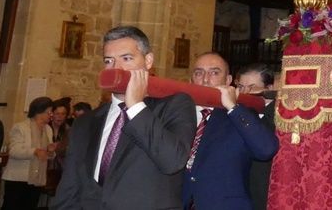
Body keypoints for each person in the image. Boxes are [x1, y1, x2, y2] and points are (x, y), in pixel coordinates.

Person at [51, 26, 197, 209]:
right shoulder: (86, 122)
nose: (116, 68)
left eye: (126, 58)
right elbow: (69, 187)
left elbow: (173, 161)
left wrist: (135, 106)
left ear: (148, 61)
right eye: (109, 61)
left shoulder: (174, 106)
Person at [182, 53, 279, 209]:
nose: (205, 79)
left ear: (228, 81)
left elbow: (266, 149)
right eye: (199, 73)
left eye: (214, 73)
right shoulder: (177, 112)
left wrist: (233, 108)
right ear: (191, 79)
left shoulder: (240, 115)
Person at [236, 63, 278, 210]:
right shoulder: (235, 113)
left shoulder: (278, 117)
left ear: (269, 89)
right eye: (241, 87)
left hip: (262, 194)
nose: (245, 93)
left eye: (252, 88)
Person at [1, 96, 54, 210]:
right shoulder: (21, 127)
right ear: (39, 112)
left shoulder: (48, 129)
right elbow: (14, 150)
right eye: (49, 112)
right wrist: (34, 151)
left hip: (37, 178)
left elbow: (46, 154)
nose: (51, 115)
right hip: (18, 178)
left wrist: (51, 151)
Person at [46, 97, 71, 197]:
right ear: (51, 114)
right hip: (44, 168)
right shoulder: (45, 128)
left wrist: (59, 147)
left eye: (63, 114)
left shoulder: (69, 130)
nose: (60, 117)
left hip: (61, 170)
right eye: (57, 113)